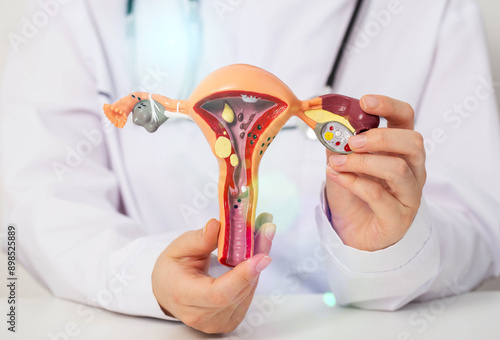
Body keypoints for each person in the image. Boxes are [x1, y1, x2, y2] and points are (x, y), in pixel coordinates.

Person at [2, 0, 500, 334]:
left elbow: (481, 222)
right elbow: (37, 197)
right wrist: (143, 275)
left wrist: (391, 247)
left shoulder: (430, 11)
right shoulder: (77, 12)